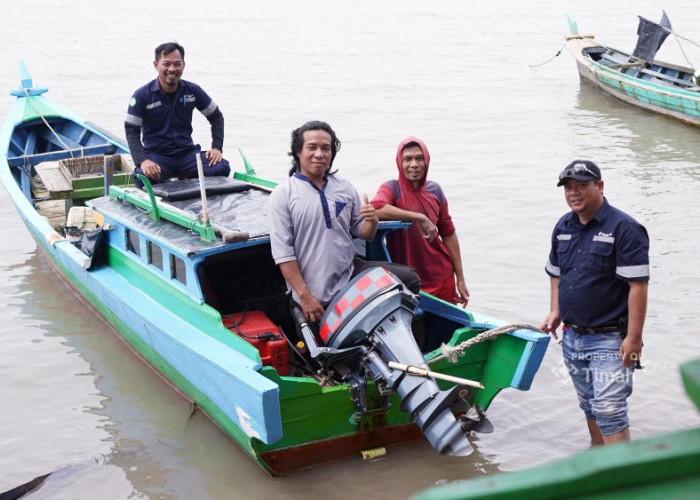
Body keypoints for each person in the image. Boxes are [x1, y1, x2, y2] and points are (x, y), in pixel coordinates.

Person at [268, 121, 420, 327]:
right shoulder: (283, 194)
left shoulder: (344, 186)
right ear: (297, 152)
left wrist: (372, 220)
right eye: (312, 147)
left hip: (350, 276)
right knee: (322, 354)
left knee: (409, 279)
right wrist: (305, 296)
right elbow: (283, 254)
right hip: (313, 289)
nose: (320, 154)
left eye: (326, 148)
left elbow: (362, 232)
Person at [541, 159, 649, 445]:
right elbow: (556, 273)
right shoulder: (563, 226)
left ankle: (623, 482)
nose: (574, 193)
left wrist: (634, 339)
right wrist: (555, 310)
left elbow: (638, 286)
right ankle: (600, 463)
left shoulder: (625, 228)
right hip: (572, 336)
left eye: (582, 186)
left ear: (600, 186)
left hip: (612, 339)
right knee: (589, 405)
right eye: (568, 188)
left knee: (610, 411)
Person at [370, 136, 469, 304]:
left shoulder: (435, 190)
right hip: (408, 280)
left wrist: (460, 278)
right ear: (399, 163)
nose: (414, 164)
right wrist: (420, 218)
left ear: (426, 162)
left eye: (419, 158)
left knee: (446, 329)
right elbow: (376, 207)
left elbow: (448, 233)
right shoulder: (391, 189)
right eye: (408, 159)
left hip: (442, 277)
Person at [124, 42, 230, 189]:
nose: (172, 69)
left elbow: (216, 117)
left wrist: (217, 148)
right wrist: (143, 161)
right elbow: (131, 131)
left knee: (222, 167)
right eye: (166, 64)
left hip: (186, 155)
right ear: (156, 65)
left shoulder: (192, 91)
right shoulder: (142, 95)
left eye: (177, 64)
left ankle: (186, 175)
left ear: (183, 65)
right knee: (142, 177)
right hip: (158, 156)